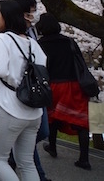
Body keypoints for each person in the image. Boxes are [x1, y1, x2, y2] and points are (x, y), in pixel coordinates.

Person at [0, 0, 47, 180]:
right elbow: (43, 65)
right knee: (26, 162)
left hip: (11, 108)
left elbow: (2, 69)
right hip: (34, 112)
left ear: (7, 16)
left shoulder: (3, 39)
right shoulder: (32, 42)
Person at [37, 13, 92, 171]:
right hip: (74, 85)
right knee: (81, 121)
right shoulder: (69, 41)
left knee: (53, 118)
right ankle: (84, 158)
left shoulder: (41, 44)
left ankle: (52, 146)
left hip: (54, 85)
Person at [13, 0, 50, 181]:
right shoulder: (11, 35)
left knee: (42, 132)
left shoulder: (32, 31)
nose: (33, 14)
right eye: (30, 10)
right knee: (36, 133)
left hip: (37, 86)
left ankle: (14, 154)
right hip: (23, 90)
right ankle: (39, 175)